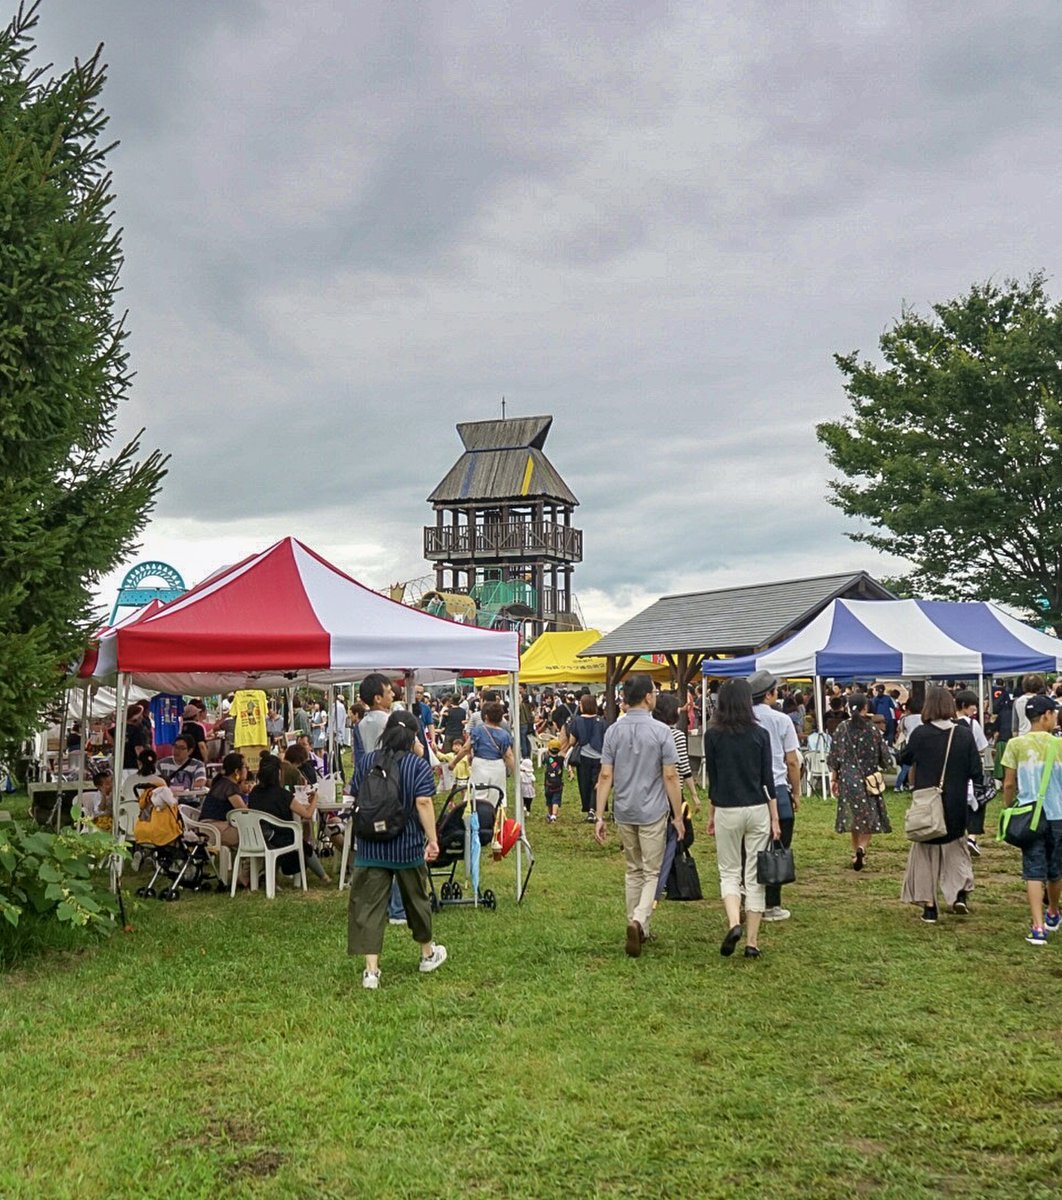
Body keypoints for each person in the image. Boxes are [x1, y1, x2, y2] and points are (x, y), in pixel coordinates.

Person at [347, 711, 446, 989]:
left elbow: (354, 795)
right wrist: (433, 839)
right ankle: (427, 953)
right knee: (416, 900)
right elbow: (423, 802)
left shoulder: (366, 761)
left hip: (370, 847)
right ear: (413, 736)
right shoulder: (418, 765)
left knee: (369, 907)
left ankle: (371, 971)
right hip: (406, 847)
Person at [593, 675, 683, 958]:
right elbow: (670, 775)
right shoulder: (662, 732)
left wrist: (599, 815)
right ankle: (640, 920)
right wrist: (678, 815)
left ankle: (636, 922)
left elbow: (605, 775)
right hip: (653, 809)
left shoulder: (613, 732)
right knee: (652, 871)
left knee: (633, 869)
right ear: (647, 697)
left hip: (623, 808)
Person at [703, 678, 781, 960]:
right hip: (757, 808)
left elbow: (714, 779)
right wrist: (775, 818)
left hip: (726, 808)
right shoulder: (760, 734)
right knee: (755, 875)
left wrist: (711, 814)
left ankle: (734, 922)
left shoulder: (712, 736)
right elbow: (767, 780)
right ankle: (752, 941)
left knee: (729, 871)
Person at [898, 685, 983, 924]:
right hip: (955, 801)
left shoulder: (921, 734)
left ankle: (929, 906)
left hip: (927, 802)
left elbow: (903, 758)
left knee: (925, 852)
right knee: (956, 851)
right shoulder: (964, 734)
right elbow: (976, 771)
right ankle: (959, 895)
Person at [1000, 694, 1062, 945]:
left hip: (1029, 815)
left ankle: (1037, 927)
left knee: (1033, 870)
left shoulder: (1015, 745)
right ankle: (1053, 912)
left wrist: (1009, 807)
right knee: (1056, 870)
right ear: (1046, 715)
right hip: (1058, 813)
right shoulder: (1059, 745)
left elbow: (1008, 783)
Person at [749, 671, 801, 919]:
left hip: (749, 788)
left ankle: (749, 897)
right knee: (778, 847)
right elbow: (792, 761)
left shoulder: (743, 719)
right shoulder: (782, 720)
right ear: (769, 694)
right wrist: (797, 792)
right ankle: (772, 904)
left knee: (750, 847)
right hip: (778, 787)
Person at [827, 692, 891, 870]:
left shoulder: (841, 728)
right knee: (868, 817)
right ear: (866, 708)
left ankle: (856, 852)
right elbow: (885, 758)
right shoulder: (872, 729)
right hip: (869, 779)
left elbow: (834, 756)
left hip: (847, 778)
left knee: (853, 817)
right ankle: (862, 848)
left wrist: (834, 778)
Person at [247, 755, 330, 883]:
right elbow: (307, 814)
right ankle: (324, 876)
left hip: (257, 837)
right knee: (302, 845)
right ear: (278, 773)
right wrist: (315, 799)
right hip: (279, 839)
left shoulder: (254, 793)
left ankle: (270, 878)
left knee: (291, 841)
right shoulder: (283, 795)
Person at [198, 751, 251, 880]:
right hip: (214, 829)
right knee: (253, 837)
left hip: (208, 827)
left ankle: (244, 874)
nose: (247, 770)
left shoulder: (221, 782)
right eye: (245, 767)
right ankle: (245, 876)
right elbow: (243, 811)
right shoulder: (230, 788)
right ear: (236, 771)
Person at [451, 700, 514, 799]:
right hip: (498, 765)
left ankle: (478, 813)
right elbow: (508, 755)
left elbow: (465, 748)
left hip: (480, 763)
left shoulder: (478, 731)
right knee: (496, 794)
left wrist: (454, 762)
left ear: (485, 716)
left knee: (478, 794)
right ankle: (493, 813)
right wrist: (515, 772)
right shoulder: (504, 734)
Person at [955, 689, 991, 855]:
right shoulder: (972, 724)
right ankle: (972, 837)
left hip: (953, 771)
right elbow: (982, 747)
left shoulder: (948, 723)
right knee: (977, 804)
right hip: (972, 770)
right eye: (972, 707)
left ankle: (957, 838)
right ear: (964, 706)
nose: (974, 710)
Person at [564, 693, 606, 823]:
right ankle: (595, 809)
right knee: (597, 783)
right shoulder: (602, 721)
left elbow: (572, 741)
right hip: (600, 757)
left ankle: (589, 809)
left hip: (584, 756)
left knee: (585, 784)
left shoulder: (577, 721)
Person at [893, 698, 923, 792]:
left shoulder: (905, 719)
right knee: (919, 765)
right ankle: (917, 784)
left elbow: (899, 730)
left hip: (909, 743)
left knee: (907, 766)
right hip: (922, 743)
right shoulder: (924, 718)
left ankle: (903, 785)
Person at [543, 739, 564, 823]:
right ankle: (554, 815)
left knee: (549, 800)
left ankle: (550, 813)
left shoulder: (546, 758)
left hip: (548, 783)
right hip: (558, 783)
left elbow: (544, 762)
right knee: (556, 800)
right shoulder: (561, 759)